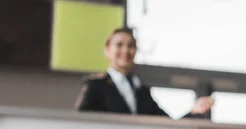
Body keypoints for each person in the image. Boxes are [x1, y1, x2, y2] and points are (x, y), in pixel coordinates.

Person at [75, 27, 213, 118]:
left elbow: (166, 123)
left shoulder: (142, 91)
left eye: (131, 46)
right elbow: (82, 123)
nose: (125, 51)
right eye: (119, 45)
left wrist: (194, 111)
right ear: (107, 49)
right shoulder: (96, 85)